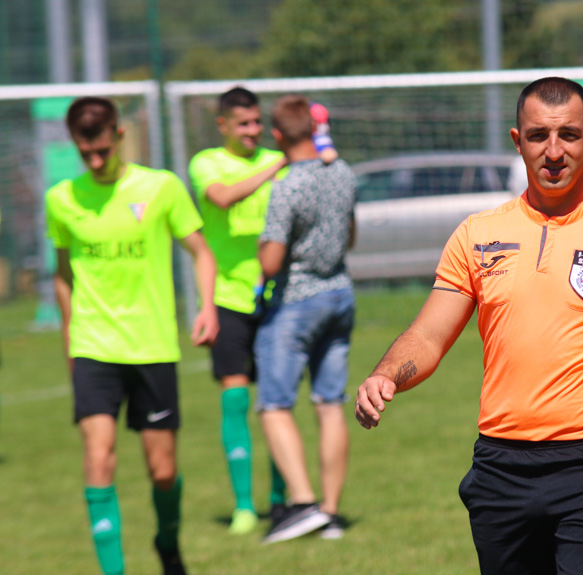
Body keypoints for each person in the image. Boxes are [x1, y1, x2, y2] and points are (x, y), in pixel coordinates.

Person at [355, 77, 583, 574]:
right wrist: (386, 374)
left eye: (569, 134)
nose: (555, 150)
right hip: (500, 469)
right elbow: (429, 335)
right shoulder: (476, 236)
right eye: (539, 135)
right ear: (518, 141)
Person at [46, 96, 219, 575]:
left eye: (102, 150)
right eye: (86, 154)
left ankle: (168, 543)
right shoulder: (61, 199)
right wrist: (69, 341)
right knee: (98, 461)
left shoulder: (160, 188)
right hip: (93, 346)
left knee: (163, 471)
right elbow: (63, 276)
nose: (95, 161)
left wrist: (206, 306)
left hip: (152, 346)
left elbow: (201, 252)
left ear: (120, 135)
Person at [187, 86, 291, 535]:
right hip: (227, 299)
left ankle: (281, 499)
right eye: (242, 123)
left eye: (256, 122)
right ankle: (244, 505)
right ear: (223, 125)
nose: (251, 131)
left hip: (275, 297)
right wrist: (278, 166)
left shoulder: (275, 162)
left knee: (277, 401)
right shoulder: (206, 162)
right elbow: (222, 197)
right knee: (235, 398)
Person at [256, 94, 357, 544]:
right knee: (329, 403)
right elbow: (350, 234)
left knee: (275, 405)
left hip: (296, 302)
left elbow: (273, 261)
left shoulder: (287, 186)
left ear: (277, 137)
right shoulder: (342, 172)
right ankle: (332, 512)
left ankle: (301, 503)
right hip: (339, 293)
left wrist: (260, 252)